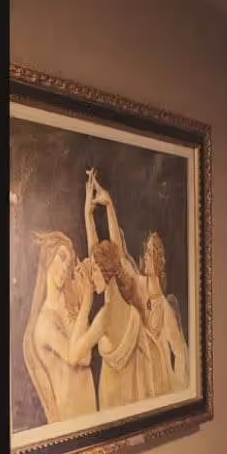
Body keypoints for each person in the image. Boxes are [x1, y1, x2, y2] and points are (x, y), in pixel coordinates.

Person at [73, 174, 157, 410]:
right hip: (133, 400)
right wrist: (98, 209)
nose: (90, 273)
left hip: (112, 402)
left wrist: (87, 300)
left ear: (105, 272)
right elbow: (110, 253)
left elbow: (74, 354)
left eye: (94, 271)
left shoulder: (105, 317)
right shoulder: (127, 300)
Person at [22, 231, 98, 424]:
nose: (66, 267)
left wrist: (89, 215)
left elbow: (93, 263)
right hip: (70, 416)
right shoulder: (45, 323)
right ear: (48, 259)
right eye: (61, 258)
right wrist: (87, 302)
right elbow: (80, 356)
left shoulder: (70, 300)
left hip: (90, 408)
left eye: (69, 262)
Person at [140, 231, 189, 391]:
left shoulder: (165, 309)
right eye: (146, 253)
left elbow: (180, 353)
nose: (145, 257)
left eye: (149, 253)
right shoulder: (141, 293)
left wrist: (180, 388)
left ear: (157, 261)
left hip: (161, 384)